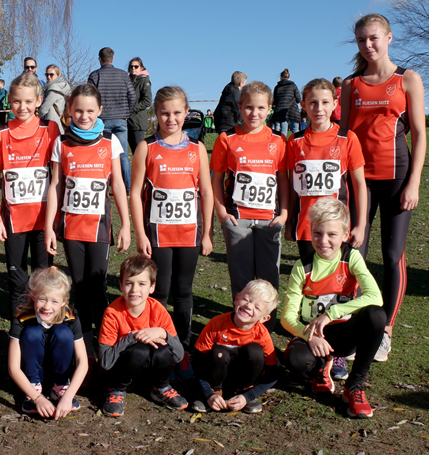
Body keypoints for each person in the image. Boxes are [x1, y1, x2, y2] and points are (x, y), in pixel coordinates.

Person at [340, 13, 426, 363]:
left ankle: (386, 329)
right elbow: (344, 135)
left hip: (396, 176)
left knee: (392, 256)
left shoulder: (408, 79)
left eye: (374, 38)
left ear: (389, 38)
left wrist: (415, 182)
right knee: (355, 250)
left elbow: (419, 134)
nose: (368, 45)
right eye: (362, 40)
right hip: (359, 179)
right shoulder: (350, 84)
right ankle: (357, 319)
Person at [129, 86, 213, 383]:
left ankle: (184, 348)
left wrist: (207, 234)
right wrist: (140, 234)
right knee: (160, 292)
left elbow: (206, 192)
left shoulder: (197, 149)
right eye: (164, 112)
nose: (171, 118)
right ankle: (160, 343)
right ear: (156, 113)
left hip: (189, 234)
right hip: (158, 235)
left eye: (177, 112)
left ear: (186, 112)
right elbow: (135, 193)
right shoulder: (146, 147)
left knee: (184, 292)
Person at [44, 83, 131, 363]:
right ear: (70, 110)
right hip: (71, 229)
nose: (84, 116)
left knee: (98, 285)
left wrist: (126, 224)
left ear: (100, 111)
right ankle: (83, 343)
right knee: (79, 285)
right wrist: (49, 226)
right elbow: (56, 185)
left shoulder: (110, 141)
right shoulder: (62, 143)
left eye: (90, 111)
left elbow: (118, 184)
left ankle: (107, 338)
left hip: (100, 228)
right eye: (78, 110)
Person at [281, 197, 385, 418]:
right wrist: (309, 335)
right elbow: (286, 318)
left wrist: (331, 313)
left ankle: (354, 387)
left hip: (345, 335)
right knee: (295, 360)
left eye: (332, 234)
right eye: (317, 233)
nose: (323, 241)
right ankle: (320, 367)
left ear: (346, 235)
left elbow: (375, 296)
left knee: (376, 315)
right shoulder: (303, 267)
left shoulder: (352, 258)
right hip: (314, 337)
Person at [210, 81, 289, 331]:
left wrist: (285, 212)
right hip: (237, 219)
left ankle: (267, 323)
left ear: (270, 109)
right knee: (241, 276)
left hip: (269, 220)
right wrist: (221, 212)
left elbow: (283, 180)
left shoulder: (278, 140)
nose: (254, 114)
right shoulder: (227, 138)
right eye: (248, 107)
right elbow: (216, 179)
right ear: (240, 107)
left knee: (269, 275)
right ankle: (241, 323)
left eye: (260, 108)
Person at [0, 74, 59, 317]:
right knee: (17, 280)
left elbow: (59, 177)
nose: (22, 107)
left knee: (44, 279)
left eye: (28, 102)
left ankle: (44, 327)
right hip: (13, 221)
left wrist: (56, 219)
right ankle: (18, 331)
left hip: (43, 221)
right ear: (10, 101)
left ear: (39, 101)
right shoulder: (0, 131)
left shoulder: (50, 129)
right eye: (16, 101)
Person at [285, 78, 367, 263]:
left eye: (324, 102)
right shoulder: (295, 141)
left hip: (336, 226)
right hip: (307, 226)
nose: (318, 108)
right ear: (303, 105)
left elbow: (360, 185)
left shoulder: (348, 139)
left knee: (336, 284)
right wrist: (289, 222)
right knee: (310, 282)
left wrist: (360, 225)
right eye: (313, 103)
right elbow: (292, 187)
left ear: (335, 104)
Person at [98, 255, 187, 417]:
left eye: (142, 284)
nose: (134, 290)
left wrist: (163, 333)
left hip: (149, 375)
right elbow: (105, 362)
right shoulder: (112, 313)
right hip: (121, 374)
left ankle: (161, 387)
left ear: (152, 287)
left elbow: (179, 356)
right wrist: (132, 337)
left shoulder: (158, 310)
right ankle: (116, 391)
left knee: (162, 349)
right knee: (140, 350)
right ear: (120, 285)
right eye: (129, 283)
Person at [8, 267, 87, 418]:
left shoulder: (71, 318)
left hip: (59, 371)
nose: (47, 306)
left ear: (64, 302)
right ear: (33, 297)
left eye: (54, 301)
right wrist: (38, 399)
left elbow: (82, 361)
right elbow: (13, 367)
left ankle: (60, 388)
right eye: (42, 299)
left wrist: (69, 397)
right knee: (33, 333)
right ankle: (32, 390)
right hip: (32, 373)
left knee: (62, 333)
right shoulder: (21, 319)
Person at [191, 280, 279, 414]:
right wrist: (208, 393)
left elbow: (273, 375)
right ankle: (214, 393)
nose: (249, 306)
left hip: (242, 380)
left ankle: (244, 391)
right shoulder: (216, 324)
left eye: (257, 307)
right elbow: (196, 363)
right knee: (219, 352)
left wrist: (248, 396)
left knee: (255, 351)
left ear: (264, 318)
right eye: (246, 299)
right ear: (237, 299)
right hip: (214, 378)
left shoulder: (262, 334)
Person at [87, 47, 136, 193]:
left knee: (101, 154)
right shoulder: (122, 75)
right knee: (123, 155)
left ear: (99, 59)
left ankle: (103, 187)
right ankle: (128, 188)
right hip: (121, 119)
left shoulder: (94, 75)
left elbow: (89, 97)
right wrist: (127, 112)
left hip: (102, 119)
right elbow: (132, 96)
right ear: (112, 58)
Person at [127, 57, 152, 154]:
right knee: (132, 152)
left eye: (136, 66)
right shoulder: (128, 80)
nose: (133, 68)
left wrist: (131, 108)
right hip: (128, 122)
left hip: (138, 123)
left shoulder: (143, 81)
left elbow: (147, 100)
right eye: (131, 66)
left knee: (140, 153)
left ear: (141, 68)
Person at [39, 64, 71, 134]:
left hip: (53, 124)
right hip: (61, 124)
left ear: (58, 75)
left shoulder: (54, 88)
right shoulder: (62, 86)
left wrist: (35, 117)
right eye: (46, 74)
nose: (48, 76)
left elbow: (44, 109)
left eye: (51, 74)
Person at [272, 69, 302, 135]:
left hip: (281, 111)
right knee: (295, 130)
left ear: (281, 77)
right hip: (292, 109)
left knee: (283, 131)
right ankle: (296, 144)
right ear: (289, 78)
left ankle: (283, 144)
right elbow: (298, 99)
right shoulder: (293, 86)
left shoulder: (277, 87)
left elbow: (274, 101)